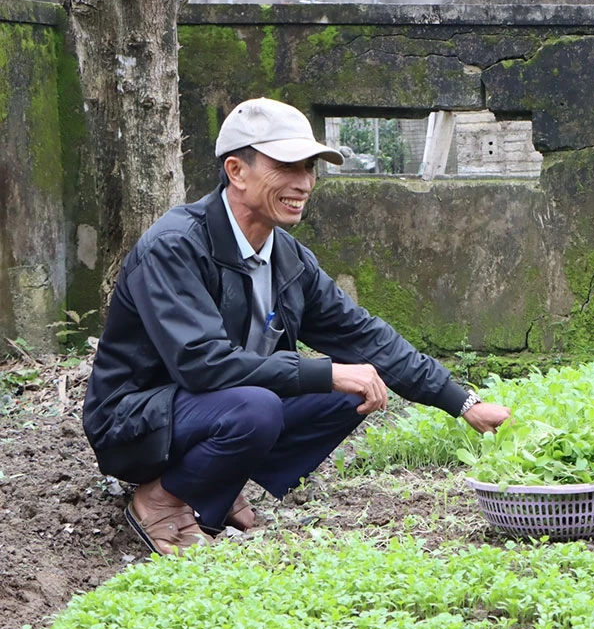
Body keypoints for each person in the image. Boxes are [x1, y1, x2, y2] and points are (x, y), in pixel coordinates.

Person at [83, 98, 510, 556]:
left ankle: (211, 483)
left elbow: (365, 337)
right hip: (134, 421)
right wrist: (324, 371)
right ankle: (162, 501)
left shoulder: (287, 257)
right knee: (258, 407)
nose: (303, 183)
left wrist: (464, 403)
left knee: (353, 390)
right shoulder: (174, 247)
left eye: (309, 168)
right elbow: (201, 364)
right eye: (286, 166)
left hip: (211, 410)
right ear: (236, 170)